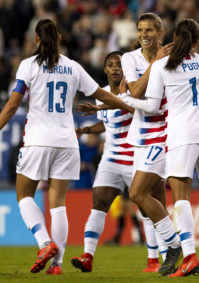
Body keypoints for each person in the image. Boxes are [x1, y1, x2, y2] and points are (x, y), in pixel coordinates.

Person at [0, 19, 131, 275]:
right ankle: (57, 264)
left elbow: (12, 105)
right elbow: (101, 94)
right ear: (60, 38)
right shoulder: (73, 67)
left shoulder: (28, 66)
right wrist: (130, 105)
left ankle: (43, 242)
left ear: (36, 38)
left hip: (38, 140)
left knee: (23, 195)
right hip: (67, 142)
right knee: (58, 204)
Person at [122, 18, 199, 277]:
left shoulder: (162, 65)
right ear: (197, 41)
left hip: (182, 134)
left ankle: (189, 255)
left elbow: (153, 106)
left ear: (174, 38)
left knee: (181, 197)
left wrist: (126, 99)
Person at [70, 51, 144, 272]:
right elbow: (106, 125)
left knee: (147, 209)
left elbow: (138, 112)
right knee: (99, 204)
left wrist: (108, 105)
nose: (115, 68)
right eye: (110, 65)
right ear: (104, 69)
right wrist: (84, 130)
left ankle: (154, 259)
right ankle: (88, 256)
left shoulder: (135, 90)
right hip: (110, 159)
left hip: (134, 157)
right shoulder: (99, 94)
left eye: (119, 64)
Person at [119, 13, 179, 276]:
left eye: (150, 30)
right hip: (141, 137)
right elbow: (136, 91)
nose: (144, 34)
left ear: (160, 32)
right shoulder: (129, 58)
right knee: (154, 199)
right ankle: (170, 257)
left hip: (164, 134)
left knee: (136, 194)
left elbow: (135, 94)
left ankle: (175, 245)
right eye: (140, 30)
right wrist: (154, 63)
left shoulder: (170, 59)